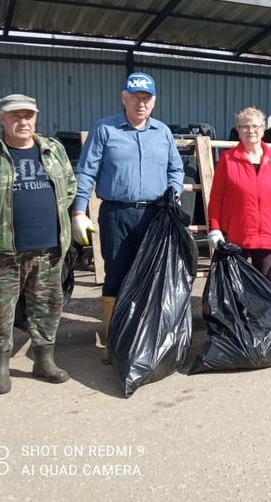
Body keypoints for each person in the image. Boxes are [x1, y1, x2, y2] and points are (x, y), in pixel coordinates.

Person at [0, 94, 76, 394]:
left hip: (49, 249)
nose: (23, 121)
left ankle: (43, 360)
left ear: (35, 117)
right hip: (3, 250)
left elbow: (69, 185)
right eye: (15, 116)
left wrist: (59, 216)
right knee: (1, 311)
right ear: (2, 118)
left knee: (48, 307)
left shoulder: (53, 149)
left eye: (28, 115)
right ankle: (0, 369)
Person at [71, 72, 184, 362]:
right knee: (117, 274)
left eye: (146, 99)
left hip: (155, 215)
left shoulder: (163, 133)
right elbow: (86, 171)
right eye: (135, 98)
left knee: (150, 276)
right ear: (124, 98)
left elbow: (176, 169)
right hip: (116, 214)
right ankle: (113, 340)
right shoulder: (105, 130)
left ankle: (145, 339)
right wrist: (79, 211)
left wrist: (174, 193)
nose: (140, 104)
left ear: (154, 102)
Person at [206, 107, 271, 283]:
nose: (250, 130)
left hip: (267, 232)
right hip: (238, 232)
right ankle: (239, 312)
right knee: (236, 284)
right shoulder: (228, 159)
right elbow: (216, 197)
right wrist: (214, 228)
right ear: (237, 130)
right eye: (244, 126)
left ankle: (261, 312)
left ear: (263, 129)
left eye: (255, 126)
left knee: (264, 285)